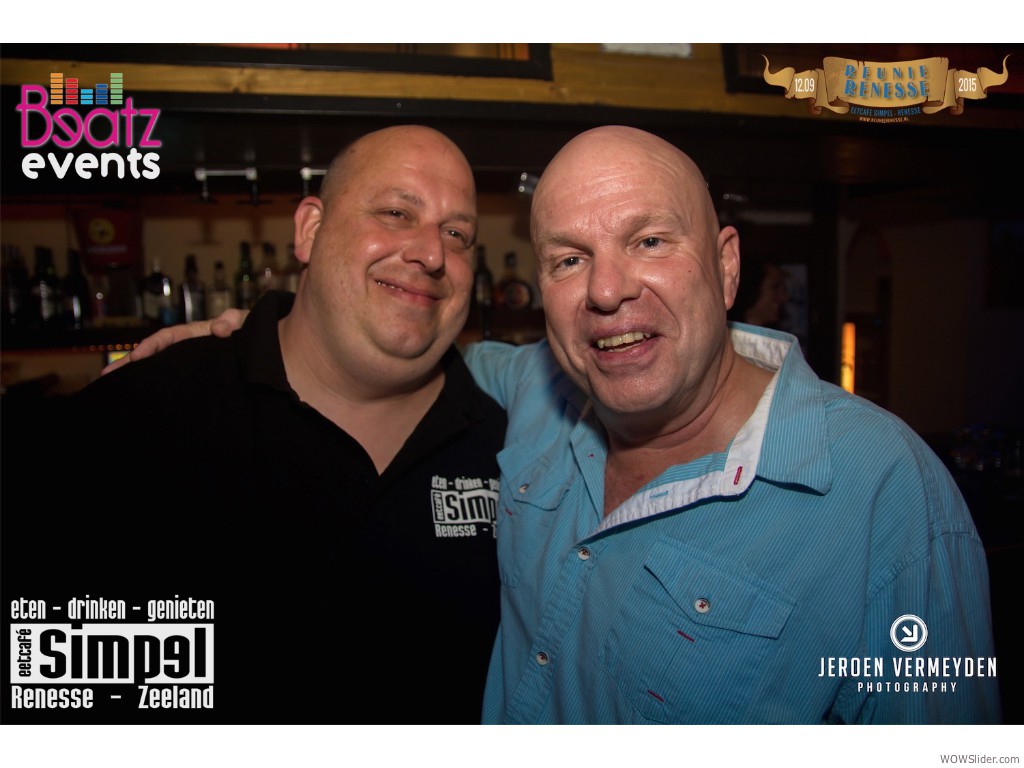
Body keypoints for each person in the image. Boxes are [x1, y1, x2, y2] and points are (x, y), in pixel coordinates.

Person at [109, 126, 1001, 725]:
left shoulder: (889, 498)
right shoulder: (529, 392)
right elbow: (387, 340)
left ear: (727, 265)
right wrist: (248, 335)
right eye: (571, 258)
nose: (607, 290)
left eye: (650, 241)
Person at [1, 125, 507, 725]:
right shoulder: (138, 416)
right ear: (310, 230)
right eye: (397, 213)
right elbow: (46, 684)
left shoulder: (515, 445)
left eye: (457, 234)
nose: (431, 253)